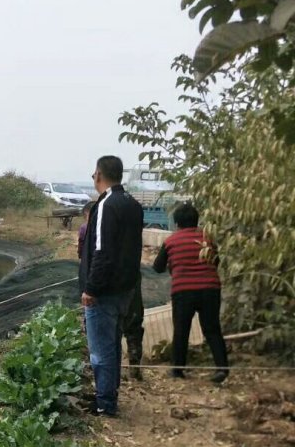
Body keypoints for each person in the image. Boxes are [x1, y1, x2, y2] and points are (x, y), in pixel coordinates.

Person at [79, 155, 144, 416]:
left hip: (104, 292)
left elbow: (102, 251)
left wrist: (91, 288)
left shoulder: (106, 204)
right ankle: (108, 393)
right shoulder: (133, 204)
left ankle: (105, 403)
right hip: (125, 289)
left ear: (99, 175)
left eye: (94, 174)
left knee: (101, 349)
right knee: (114, 345)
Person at [152, 202, 229, 383]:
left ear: (177, 222)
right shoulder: (207, 238)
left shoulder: (171, 241)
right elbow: (215, 261)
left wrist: (173, 264)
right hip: (210, 289)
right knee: (212, 329)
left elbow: (157, 267)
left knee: (181, 330)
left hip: (183, 290)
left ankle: (178, 370)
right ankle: (222, 368)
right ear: (196, 220)